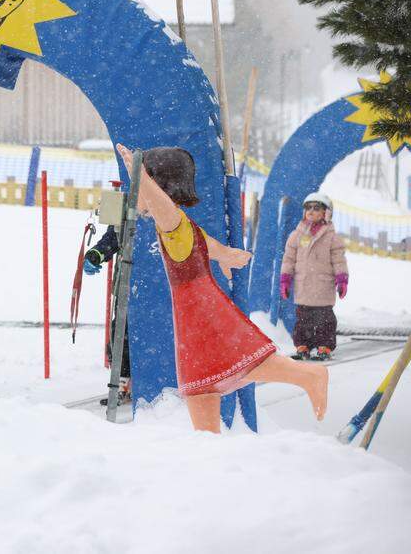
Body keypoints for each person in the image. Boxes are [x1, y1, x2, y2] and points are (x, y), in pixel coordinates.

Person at [115, 144, 328, 433]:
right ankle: (208, 443)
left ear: (158, 187)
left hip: (200, 309)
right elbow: (207, 244)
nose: (134, 192)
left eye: (138, 186)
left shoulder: (171, 221)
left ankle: (309, 374)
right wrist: (227, 255)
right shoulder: (181, 226)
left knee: (239, 362)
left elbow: (161, 205)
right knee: (201, 384)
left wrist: (141, 176)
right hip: (195, 308)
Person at [280, 192, 349, 361]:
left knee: (324, 319)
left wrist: (342, 279)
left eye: (316, 208)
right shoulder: (296, 235)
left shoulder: (332, 238)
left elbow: (339, 260)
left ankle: (324, 346)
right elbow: (288, 259)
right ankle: (303, 345)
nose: (311, 211)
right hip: (303, 286)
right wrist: (285, 279)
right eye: (308, 208)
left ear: (326, 213)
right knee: (303, 319)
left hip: (323, 286)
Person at [83, 226, 130, 405]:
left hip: (165, 283)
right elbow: (114, 237)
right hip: (129, 282)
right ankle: (123, 383)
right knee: (121, 330)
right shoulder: (129, 202)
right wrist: (96, 254)